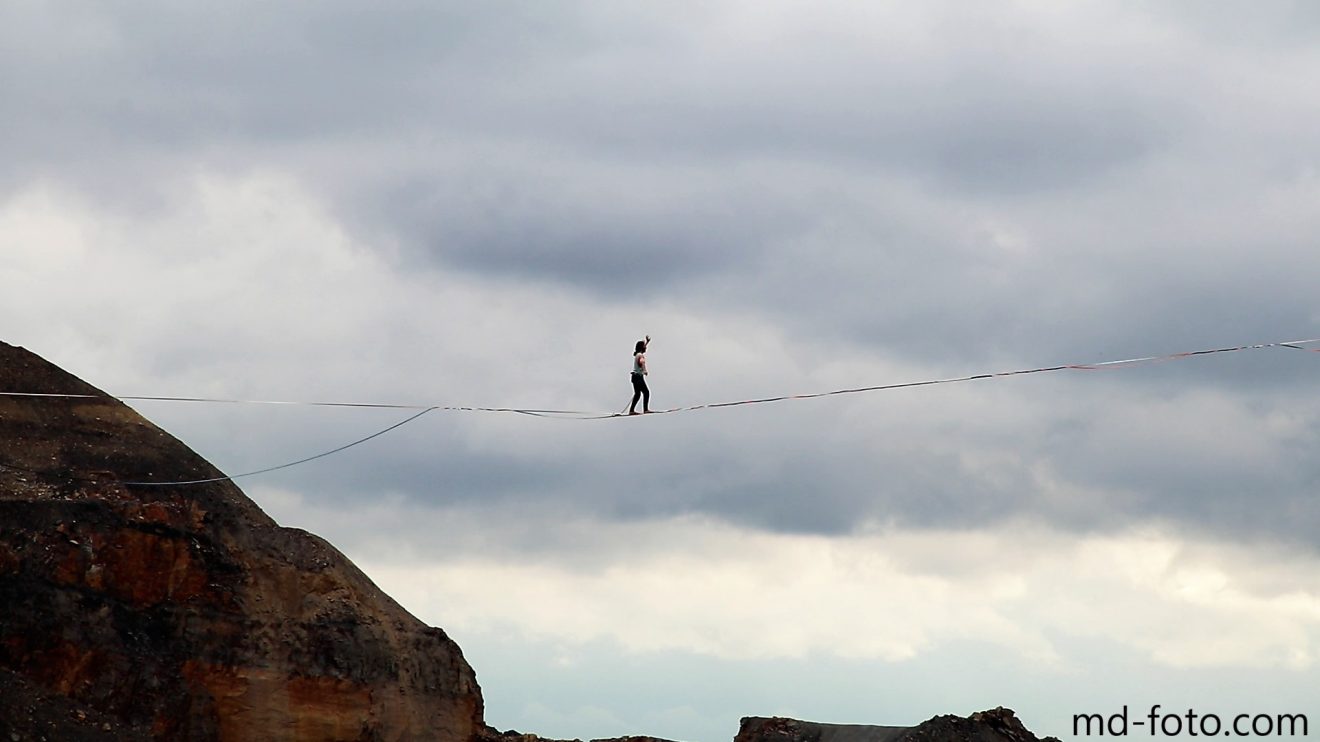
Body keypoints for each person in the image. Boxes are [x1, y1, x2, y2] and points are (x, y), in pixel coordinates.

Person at [629, 334, 651, 415]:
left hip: (634, 377)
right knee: (646, 392)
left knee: (637, 394)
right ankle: (645, 409)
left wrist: (647, 342)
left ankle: (631, 410)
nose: (646, 348)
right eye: (645, 347)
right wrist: (644, 370)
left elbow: (642, 348)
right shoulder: (640, 356)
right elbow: (641, 362)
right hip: (638, 377)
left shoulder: (638, 354)